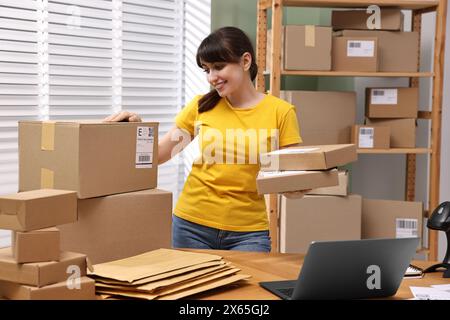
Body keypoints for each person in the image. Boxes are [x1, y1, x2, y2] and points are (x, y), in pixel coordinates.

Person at [105, 26, 306, 252]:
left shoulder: (281, 113)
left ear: (246, 61)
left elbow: (292, 178)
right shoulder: (202, 107)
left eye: (219, 67)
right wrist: (137, 129)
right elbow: (160, 154)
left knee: (247, 288)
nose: (212, 77)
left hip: (248, 233)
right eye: (207, 70)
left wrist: (298, 187)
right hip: (191, 225)